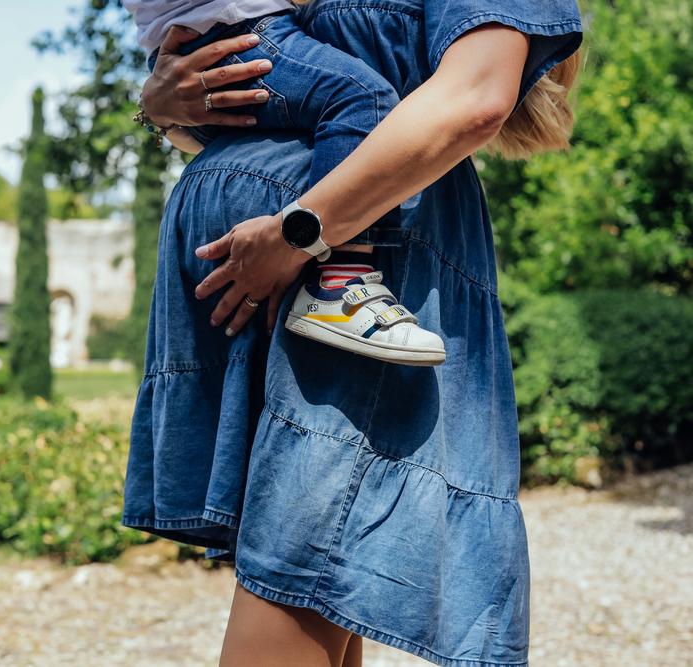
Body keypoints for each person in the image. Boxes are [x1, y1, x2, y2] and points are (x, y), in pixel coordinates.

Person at [121, 1, 583, 665]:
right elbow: (261, 101)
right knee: (317, 570)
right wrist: (163, 107)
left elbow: (477, 97)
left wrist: (300, 233)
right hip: (263, 265)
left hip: (353, 267)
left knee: (307, 561)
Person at [125, 0, 447, 366]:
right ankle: (338, 286)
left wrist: (155, 109)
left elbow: (188, 138)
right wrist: (153, 109)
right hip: (233, 35)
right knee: (363, 98)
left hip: (200, 49)